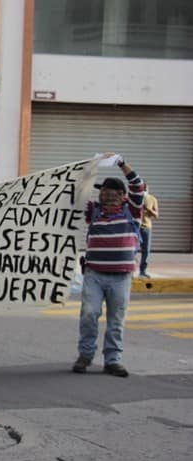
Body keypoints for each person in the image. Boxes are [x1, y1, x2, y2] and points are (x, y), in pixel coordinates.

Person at [72, 154, 145, 378]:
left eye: (113, 193)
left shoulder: (132, 211)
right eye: (104, 192)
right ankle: (85, 355)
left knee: (116, 320)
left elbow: (138, 185)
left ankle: (113, 360)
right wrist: (85, 170)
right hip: (94, 274)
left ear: (123, 196)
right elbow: (71, 198)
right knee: (89, 314)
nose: (108, 196)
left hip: (121, 276)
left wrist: (122, 164)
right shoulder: (93, 211)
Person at [139, 188, 159, 278]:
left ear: (148, 189)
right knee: (132, 250)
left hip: (146, 227)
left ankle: (143, 271)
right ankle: (129, 271)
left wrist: (149, 209)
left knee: (146, 250)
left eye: (145, 188)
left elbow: (156, 215)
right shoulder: (135, 198)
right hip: (135, 227)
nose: (143, 190)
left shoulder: (152, 199)